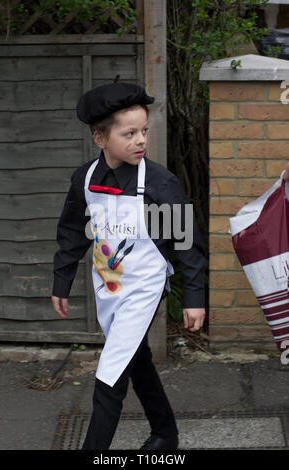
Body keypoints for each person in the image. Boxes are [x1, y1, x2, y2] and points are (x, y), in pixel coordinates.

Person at [51, 76, 206, 450]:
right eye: (129, 133)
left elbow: (187, 241)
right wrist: (62, 281)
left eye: (143, 131)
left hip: (144, 286)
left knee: (111, 372)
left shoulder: (159, 183)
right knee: (136, 360)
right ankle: (165, 434)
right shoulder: (85, 179)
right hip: (108, 287)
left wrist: (194, 296)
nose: (140, 140)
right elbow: (73, 231)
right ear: (100, 138)